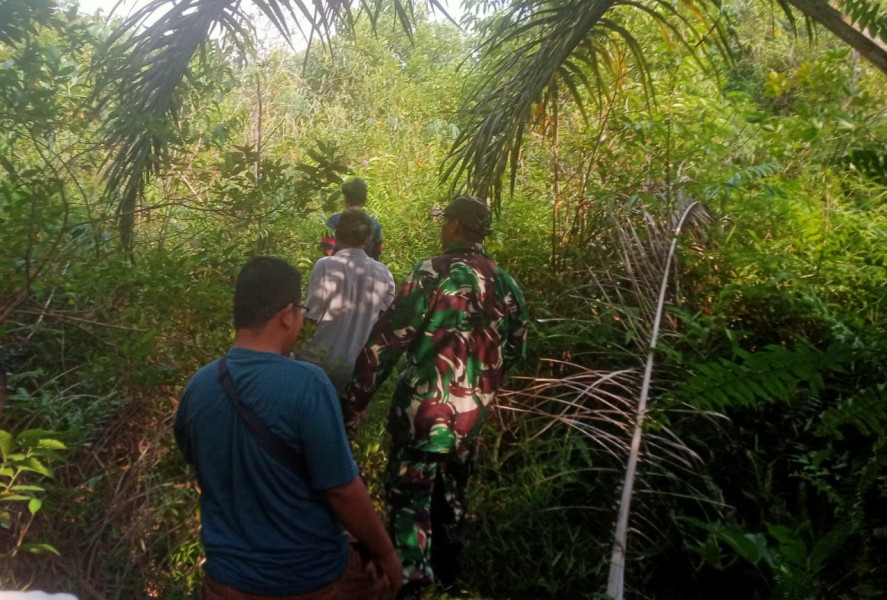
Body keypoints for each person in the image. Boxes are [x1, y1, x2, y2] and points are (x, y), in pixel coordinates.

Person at [174, 256, 401, 600]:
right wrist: (385, 554)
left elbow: (199, 464)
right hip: (311, 579)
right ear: (287, 314)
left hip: (225, 583)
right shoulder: (307, 383)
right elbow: (342, 489)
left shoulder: (199, 386)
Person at [343, 195, 529, 599]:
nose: (442, 226)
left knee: (411, 501)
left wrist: (353, 405)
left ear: (455, 227)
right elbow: (516, 346)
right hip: (470, 417)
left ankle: (410, 585)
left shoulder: (432, 273)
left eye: (445, 220)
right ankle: (450, 575)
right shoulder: (505, 281)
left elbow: (386, 344)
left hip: (423, 416)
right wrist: (483, 385)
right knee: (453, 494)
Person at [299, 208, 396, 395]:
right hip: (357, 368)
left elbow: (311, 319)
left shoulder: (325, 265)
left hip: (318, 364)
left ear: (336, 235)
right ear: (368, 239)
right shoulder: (383, 273)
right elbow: (385, 326)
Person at [321, 178, 384, 260]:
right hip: (365, 270)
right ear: (365, 200)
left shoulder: (334, 221)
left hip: (337, 270)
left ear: (345, 199)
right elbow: (376, 253)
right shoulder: (374, 225)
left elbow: (328, 251)